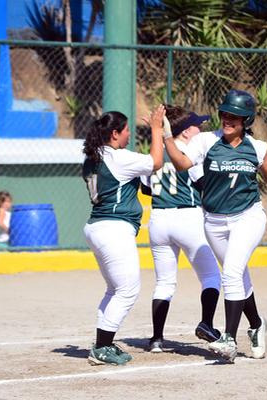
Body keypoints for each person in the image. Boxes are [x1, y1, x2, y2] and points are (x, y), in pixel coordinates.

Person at [163, 89, 267, 363]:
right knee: (239, 277)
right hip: (214, 221)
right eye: (225, 114)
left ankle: (229, 339)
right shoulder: (206, 141)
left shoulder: (257, 147)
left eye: (235, 116)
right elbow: (181, 164)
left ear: (246, 120)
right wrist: (167, 137)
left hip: (248, 216)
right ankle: (257, 325)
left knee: (230, 272)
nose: (228, 119)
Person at [82, 106, 165, 366]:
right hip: (114, 228)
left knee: (114, 289)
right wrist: (156, 130)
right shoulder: (117, 157)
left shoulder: (94, 156)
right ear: (115, 134)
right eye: (127, 130)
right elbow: (156, 162)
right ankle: (102, 347)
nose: (130, 134)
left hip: (98, 227)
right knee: (128, 290)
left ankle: (103, 343)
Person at [141, 105, 221, 353]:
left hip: (158, 219)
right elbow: (204, 184)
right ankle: (207, 324)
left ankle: (156, 339)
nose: (201, 129)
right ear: (185, 132)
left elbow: (146, 188)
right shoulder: (189, 152)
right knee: (211, 277)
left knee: (164, 283)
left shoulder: (155, 151)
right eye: (197, 125)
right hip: (188, 217)